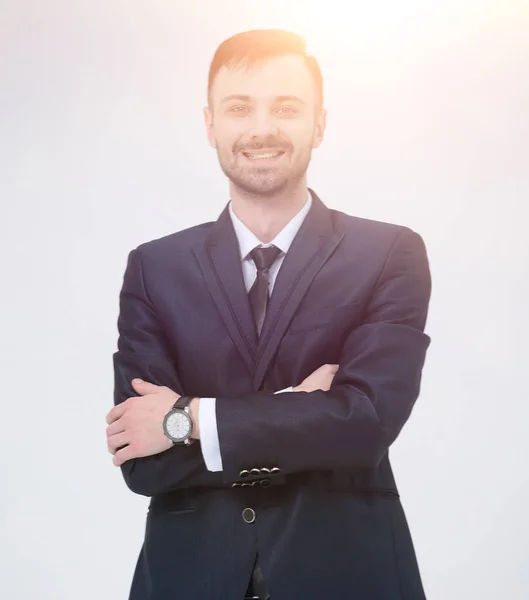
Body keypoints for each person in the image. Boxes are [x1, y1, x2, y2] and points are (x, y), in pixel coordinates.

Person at [106, 28, 432, 600]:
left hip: (347, 577)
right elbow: (143, 463)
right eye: (239, 108)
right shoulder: (153, 269)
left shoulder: (389, 254)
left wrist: (189, 421)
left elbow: (365, 427)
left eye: (286, 107)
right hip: (188, 579)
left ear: (320, 123)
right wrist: (298, 415)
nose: (261, 128)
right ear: (210, 124)